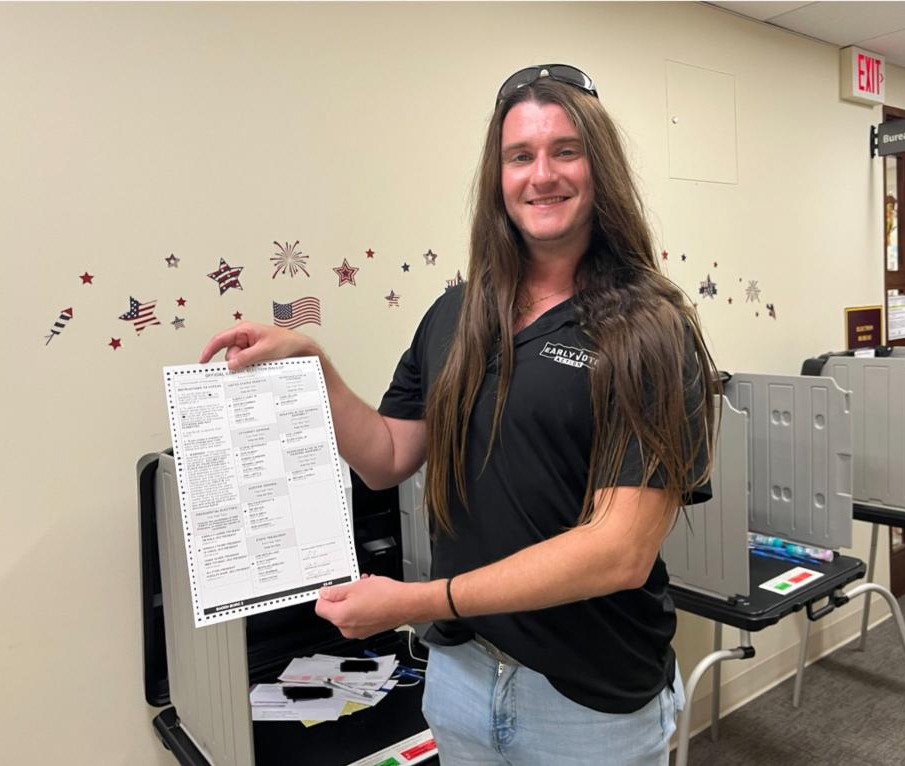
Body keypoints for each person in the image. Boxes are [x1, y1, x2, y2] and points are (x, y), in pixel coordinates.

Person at [200, 63, 717, 765]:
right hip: (463, 679)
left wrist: (417, 601)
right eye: (520, 156)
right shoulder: (455, 314)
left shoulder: (650, 329)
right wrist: (314, 370)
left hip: (589, 703)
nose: (543, 174)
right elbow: (384, 456)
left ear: (600, 168)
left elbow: (619, 551)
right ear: (497, 178)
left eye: (566, 150)